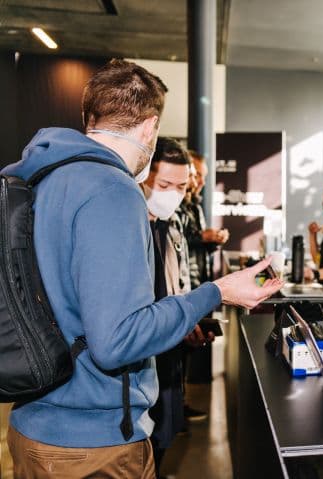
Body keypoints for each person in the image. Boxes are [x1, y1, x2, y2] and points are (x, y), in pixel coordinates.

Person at [2, 59, 282, 478]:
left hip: (35, 423)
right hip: (91, 444)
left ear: (88, 118)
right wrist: (217, 292)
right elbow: (116, 341)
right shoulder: (112, 190)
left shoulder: (42, 177)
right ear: (150, 127)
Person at [142, 137, 211, 475]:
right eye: (165, 184)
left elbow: (177, 284)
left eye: (182, 187)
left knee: (165, 434)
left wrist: (189, 321)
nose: (173, 194)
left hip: (168, 354)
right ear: (144, 177)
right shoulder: (127, 226)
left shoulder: (173, 225)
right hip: (139, 362)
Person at [181, 150, 229, 290]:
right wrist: (202, 236)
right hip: (184, 284)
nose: (201, 182)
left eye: (203, 177)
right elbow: (172, 244)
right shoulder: (172, 206)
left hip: (200, 280)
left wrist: (214, 240)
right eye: (197, 175)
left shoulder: (195, 207)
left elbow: (200, 248)